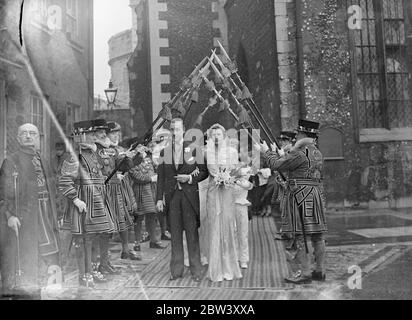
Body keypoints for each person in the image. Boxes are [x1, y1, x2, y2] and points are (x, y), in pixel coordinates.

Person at [256, 119, 327, 284]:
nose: (295, 137)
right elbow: (295, 165)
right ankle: (320, 271)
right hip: (315, 194)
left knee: (299, 235)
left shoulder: (299, 152)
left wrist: (267, 151)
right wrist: (283, 155)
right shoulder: (316, 152)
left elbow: (275, 165)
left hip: (299, 195)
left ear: (303, 135)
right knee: (317, 234)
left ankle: (305, 272)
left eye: (298, 134)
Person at [0, 123, 60, 297]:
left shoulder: (44, 160)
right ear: (18, 138)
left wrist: (57, 212)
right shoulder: (11, 161)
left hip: (46, 213)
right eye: (24, 133)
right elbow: (3, 193)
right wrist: (9, 215)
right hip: (25, 217)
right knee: (26, 258)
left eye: (32, 133)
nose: (28, 136)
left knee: (50, 255)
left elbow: (53, 189)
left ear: (38, 138)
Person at [60, 119, 117, 287]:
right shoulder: (75, 155)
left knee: (93, 238)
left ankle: (91, 271)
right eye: (91, 134)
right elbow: (65, 181)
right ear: (81, 136)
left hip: (96, 203)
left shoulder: (92, 155)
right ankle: (83, 274)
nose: (94, 137)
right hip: (83, 203)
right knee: (82, 240)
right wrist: (75, 199)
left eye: (94, 134)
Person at [156, 117, 208, 282]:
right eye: (172, 130)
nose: (174, 132)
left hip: (189, 197)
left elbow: (204, 171)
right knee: (175, 236)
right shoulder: (165, 151)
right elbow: (161, 178)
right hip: (173, 199)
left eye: (177, 129)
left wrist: (190, 179)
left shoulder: (194, 149)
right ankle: (176, 270)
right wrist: (159, 199)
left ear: (183, 130)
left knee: (192, 235)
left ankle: (196, 271)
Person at [205, 123, 242, 282]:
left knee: (227, 226)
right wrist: (219, 177)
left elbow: (235, 171)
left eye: (219, 134)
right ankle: (216, 270)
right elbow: (210, 172)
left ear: (224, 135)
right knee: (215, 226)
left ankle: (229, 268)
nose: (216, 137)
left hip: (227, 191)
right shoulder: (207, 152)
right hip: (214, 191)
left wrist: (228, 178)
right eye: (214, 135)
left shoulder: (232, 152)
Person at [102, 122, 141, 261]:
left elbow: (129, 166)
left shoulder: (119, 148)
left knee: (124, 217)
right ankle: (104, 255)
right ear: (106, 134)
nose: (116, 135)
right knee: (108, 220)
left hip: (122, 186)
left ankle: (126, 250)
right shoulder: (104, 149)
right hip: (108, 188)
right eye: (113, 133)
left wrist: (138, 155)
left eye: (117, 133)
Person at [129, 145, 165, 252]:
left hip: (151, 191)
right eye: (139, 149)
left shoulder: (148, 159)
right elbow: (136, 176)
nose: (142, 150)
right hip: (140, 192)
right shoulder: (132, 162)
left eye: (143, 148)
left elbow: (156, 169)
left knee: (152, 215)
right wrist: (151, 178)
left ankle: (153, 241)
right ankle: (137, 243)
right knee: (139, 217)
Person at [233, 167, 253, 269]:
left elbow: (249, 186)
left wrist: (239, 180)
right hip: (230, 207)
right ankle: (235, 257)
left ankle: (244, 259)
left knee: (243, 233)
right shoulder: (230, 179)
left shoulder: (245, 181)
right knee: (233, 232)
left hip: (242, 207)